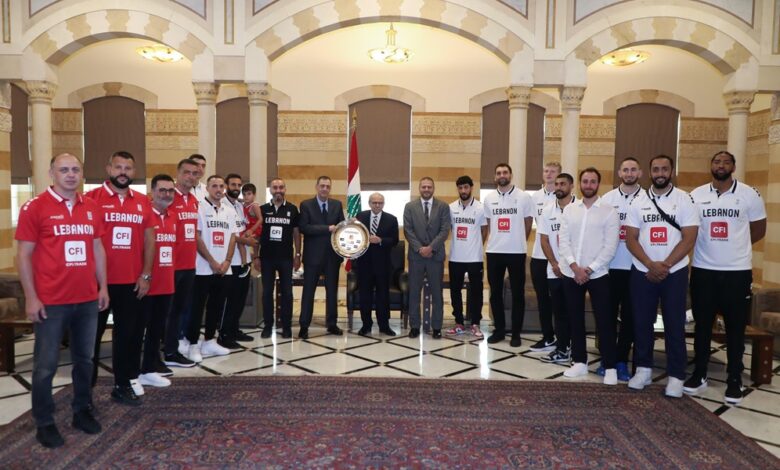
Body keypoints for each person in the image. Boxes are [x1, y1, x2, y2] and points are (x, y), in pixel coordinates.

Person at [16, 153, 109, 448]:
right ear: (52, 173)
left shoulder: (91, 207)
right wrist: (31, 297)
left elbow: (98, 248)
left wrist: (103, 287)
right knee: (46, 365)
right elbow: (23, 255)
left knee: (85, 360)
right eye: (64, 169)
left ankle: (82, 410)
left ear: (82, 173)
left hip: (86, 300)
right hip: (51, 301)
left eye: (75, 169)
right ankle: (44, 422)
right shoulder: (35, 207)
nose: (70, 174)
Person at [686, 150, 766, 405]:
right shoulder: (696, 195)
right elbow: (689, 229)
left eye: (726, 162)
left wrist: (735, 247)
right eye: (717, 161)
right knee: (702, 326)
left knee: (735, 327)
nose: (721, 165)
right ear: (711, 166)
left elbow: (759, 229)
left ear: (733, 166)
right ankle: (699, 374)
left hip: (737, 272)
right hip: (703, 270)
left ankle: (734, 378)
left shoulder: (749, 194)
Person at [625, 155, 699, 398]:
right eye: (655, 169)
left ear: (671, 171)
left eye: (664, 169)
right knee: (642, 322)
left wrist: (665, 265)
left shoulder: (685, 199)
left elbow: (689, 237)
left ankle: (676, 375)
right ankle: (643, 370)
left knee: (674, 324)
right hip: (642, 271)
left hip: (674, 272)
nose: (660, 173)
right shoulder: (638, 201)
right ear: (649, 172)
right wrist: (649, 264)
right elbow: (631, 238)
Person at [86, 151, 154, 405]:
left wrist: (146, 275)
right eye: (118, 167)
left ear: (134, 172)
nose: (123, 172)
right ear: (108, 169)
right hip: (97, 284)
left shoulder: (142, 201)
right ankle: (85, 392)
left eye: (128, 168)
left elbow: (150, 240)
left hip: (131, 283)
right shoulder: (91, 199)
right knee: (90, 339)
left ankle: (122, 385)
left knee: (128, 337)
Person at [557, 168, 620, 384]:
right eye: (585, 181)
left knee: (604, 320)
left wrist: (589, 269)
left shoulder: (609, 211)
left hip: (598, 274)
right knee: (575, 318)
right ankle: (579, 362)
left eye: (593, 181)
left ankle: (610, 366)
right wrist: (575, 267)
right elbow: (563, 241)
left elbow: (610, 247)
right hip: (571, 273)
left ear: (598, 184)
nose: (589, 185)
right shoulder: (569, 210)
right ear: (580, 184)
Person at [184, 175, 239, 362]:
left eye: (221, 186)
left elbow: (233, 237)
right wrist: (212, 262)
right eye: (214, 186)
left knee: (216, 306)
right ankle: (193, 344)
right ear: (207, 188)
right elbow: (196, 237)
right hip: (203, 268)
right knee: (197, 308)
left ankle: (209, 341)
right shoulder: (198, 208)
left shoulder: (229, 211)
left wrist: (227, 261)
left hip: (223, 268)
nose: (218, 189)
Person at [599, 157, 643, 382]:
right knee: (606, 317)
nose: (629, 173)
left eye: (633, 169)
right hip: (610, 268)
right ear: (619, 173)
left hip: (636, 268)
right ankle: (606, 360)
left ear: (640, 173)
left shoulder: (647, 199)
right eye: (625, 170)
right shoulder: (607, 199)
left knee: (630, 318)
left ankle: (621, 361)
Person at [483, 163, 534, 346]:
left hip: (516, 252)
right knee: (495, 294)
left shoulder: (524, 197)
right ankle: (499, 330)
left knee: (518, 294)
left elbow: (528, 222)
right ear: (495, 177)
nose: (502, 175)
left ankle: (516, 334)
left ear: (510, 175)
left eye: (505, 172)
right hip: (494, 251)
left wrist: (519, 240)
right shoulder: (489, 198)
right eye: (498, 173)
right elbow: (489, 223)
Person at [137, 174, 178, 389]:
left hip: (166, 284)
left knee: (156, 330)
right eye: (162, 190)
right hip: (145, 285)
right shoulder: (144, 216)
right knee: (136, 332)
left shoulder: (173, 217)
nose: (166, 194)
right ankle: (131, 373)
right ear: (152, 192)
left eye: (170, 190)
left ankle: (149, 369)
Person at [162, 158, 200, 368]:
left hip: (189, 265)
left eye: (194, 173)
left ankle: (171, 350)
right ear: (178, 173)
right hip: (170, 266)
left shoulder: (193, 200)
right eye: (187, 172)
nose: (190, 177)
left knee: (179, 310)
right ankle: (163, 352)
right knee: (165, 312)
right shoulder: (168, 197)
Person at [298, 176, 345, 339]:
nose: (325, 189)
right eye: (322, 186)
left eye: (328, 186)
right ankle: (304, 325)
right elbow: (304, 228)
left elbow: (341, 228)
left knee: (332, 292)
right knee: (308, 292)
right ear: (316, 187)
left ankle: (332, 324)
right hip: (312, 257)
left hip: (332, 257)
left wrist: (350, 224)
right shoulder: (306, 205)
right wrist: (327, 228)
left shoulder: (337, 205)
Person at [403, 177, 451, 339]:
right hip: (416, 257)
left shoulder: (443, 206)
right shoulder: (410, 207)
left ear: (433, 188)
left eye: (429, 187)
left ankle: (436, 327)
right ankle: (414, 326)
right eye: (423, 187)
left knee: (437, 293)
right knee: (414, 293)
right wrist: (420, 248)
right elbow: (408, 230)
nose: (426, 189)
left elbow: (445, 230)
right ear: (419, 188)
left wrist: (431, 248)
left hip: (435, 256)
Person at [538, 173, 576, 364]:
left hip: (575, 271)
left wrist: (573, 265)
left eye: (563, 184)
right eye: (557, 184)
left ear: (571, 186)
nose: (559, 187)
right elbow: (544, 240)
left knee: (574, 311)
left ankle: (577, 351)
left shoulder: (579, 208)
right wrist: (554, 263)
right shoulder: (547, 210)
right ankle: (562, 349)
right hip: (554, 271)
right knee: (559, 312)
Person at [258, 178, 301, 339]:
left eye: (281, 187)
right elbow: (258, 234)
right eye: (275, 187)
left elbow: (296, 233)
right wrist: (255, 256)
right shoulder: (263, 209)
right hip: (267, 258)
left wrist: (298, 254)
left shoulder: (292, 209)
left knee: (287, 293)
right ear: (270, 190)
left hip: (286, 258)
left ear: (285, 189)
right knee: (267, 293)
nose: (278, 190)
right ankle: (268, 325)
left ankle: (286, 326)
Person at [446, 176, 487, 338]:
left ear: (471, 188)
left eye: (466, 187)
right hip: (456, 257)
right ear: (457, 189)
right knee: (455, 290)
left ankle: (475, 324)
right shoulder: (451, 208)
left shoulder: (481, 208)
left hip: (475, 258)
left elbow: (484, 231)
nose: (463, 191)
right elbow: (449, 228)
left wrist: (476, 245)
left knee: (477, 291)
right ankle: (459, 323)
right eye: (460, 188)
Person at [354, 193, 399, 336]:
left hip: (383, 265)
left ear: (383, 204)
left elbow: (394, 240)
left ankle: (384, 325)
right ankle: (366, 325)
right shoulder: (360, 217)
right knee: (365, 295)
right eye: (374, 202)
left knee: (383, 296)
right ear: (369, 203)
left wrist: (380, 240)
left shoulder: (391, 219)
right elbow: (354, 235)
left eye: (380, 203)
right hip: (364, 264)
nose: (377, 205)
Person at [221, 173, 256, 349]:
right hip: (231, 262)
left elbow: (244, 227)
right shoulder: (222, 205)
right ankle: (224, 334)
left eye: (238, 185)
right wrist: (247, 241)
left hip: (244, 260)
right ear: (226, 186)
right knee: (230, 300)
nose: (236, 188)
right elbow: (230, 234)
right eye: (233, 184)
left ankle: (234, 329)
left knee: (240, 299)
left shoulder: (240, 206)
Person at [529, 162, 561, 352]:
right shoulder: (535, 197)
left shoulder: (566, 197)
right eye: (546, 171)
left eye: (553, 171)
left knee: (559, 300)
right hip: (539, 256)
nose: (549, 174)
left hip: (559, 258)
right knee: (542, 299)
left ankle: (563, 338)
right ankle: (548, 337)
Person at [241, 182, 263, 265]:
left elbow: (260, 219)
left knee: (243, 241)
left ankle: (245, 263)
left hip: (255, 229)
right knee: (241, 241)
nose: (246, 196)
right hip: (248, 228)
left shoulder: (254, 206)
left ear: (254, 195)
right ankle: (245, 261)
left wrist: (251, 230)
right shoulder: (244, 205)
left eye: (249, 194)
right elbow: (239, 200)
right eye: (244, 194)